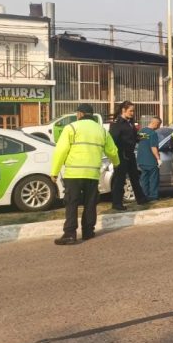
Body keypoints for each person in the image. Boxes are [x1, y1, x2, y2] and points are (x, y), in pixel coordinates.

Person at [51, 104, 119, 245]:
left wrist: (54, 172)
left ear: (80, 114)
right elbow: (112, 151)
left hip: (73, 173)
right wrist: (116, 163)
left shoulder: (71, 128)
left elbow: (61, 151)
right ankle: (88, 232)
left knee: (72, 203)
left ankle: (70, 234)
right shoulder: (102, 131)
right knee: (90, 203)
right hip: (93, 174)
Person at [110, 101, 148, 210]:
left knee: (134, 177)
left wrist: (139, 138)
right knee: (120, 179)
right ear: (123, 110)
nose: (132, 113)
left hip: (130, 154)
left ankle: (141, 198)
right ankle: (117, 203)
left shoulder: (130, 122)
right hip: (121, 154)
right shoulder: (117, 123)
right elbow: (113, 140)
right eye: (130, 111)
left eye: (133, 111)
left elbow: (132, 136)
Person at [137, 116, 162, 202]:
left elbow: (139, 143)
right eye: (159, 125)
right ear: (156, 124)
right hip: (151, 161)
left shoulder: (141, 132)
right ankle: (153, 196)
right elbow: (153, 147)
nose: (159, 127)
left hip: (141, 160)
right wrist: (158, 159)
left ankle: (144, 195)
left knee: (144, 179)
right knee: (153, 179)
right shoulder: (153, 133)